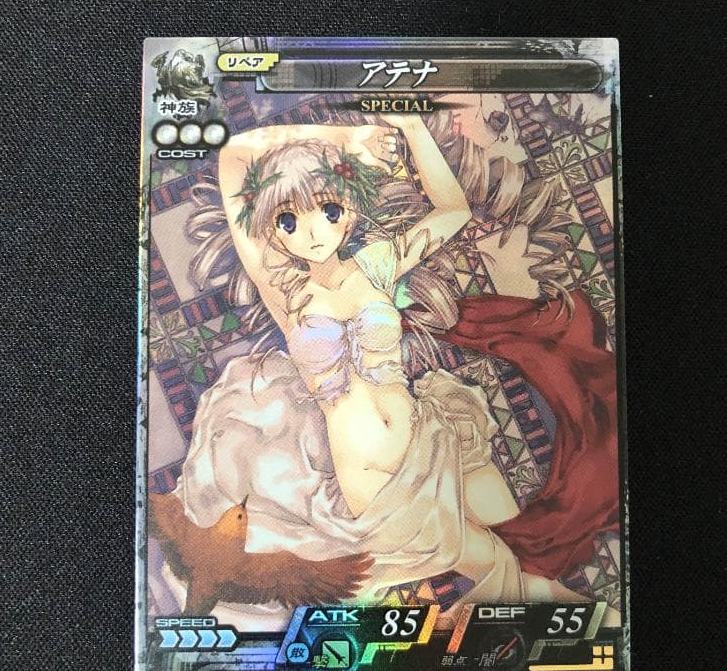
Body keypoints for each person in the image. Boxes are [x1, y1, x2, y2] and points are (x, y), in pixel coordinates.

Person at [153, 111, 618, 628]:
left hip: (429, 438)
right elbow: (234, 155)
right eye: (288, 221)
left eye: (327, 210)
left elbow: (453, 210)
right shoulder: (286, 294)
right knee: (501, 567)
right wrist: (349, 137)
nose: (312, 232)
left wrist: (412, 130)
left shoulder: (378, 265)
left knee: (522, 563)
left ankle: (594, 638)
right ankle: (569, 635)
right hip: (373, 483)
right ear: (273, 233)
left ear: (348, 211)